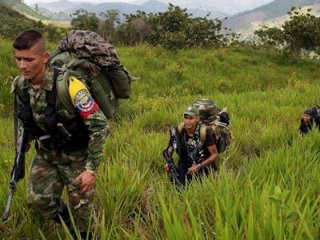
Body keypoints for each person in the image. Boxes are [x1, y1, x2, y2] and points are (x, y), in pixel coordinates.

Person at [11, 29, 108, 238]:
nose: (22, 66)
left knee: (83, 216)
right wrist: (23, 139)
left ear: (45, 57)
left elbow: (99, 125)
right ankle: (66, 221)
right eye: (18, 59)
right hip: (47, 155)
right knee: (37, 199)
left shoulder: (70, 85)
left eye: (29, 59)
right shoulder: (20, 85)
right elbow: (24, 117)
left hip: (77, 159)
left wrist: (91, 169)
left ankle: (81, 231)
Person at [164, 105, 219, 186]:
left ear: (197, 118)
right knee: (178, 185)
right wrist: (168, 162)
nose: (187, 121)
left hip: (201, 164)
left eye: (191, 118)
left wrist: (199, 166)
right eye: (186, 118)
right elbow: (170, 148)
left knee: (200, 186)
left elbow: (214, 154)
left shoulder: (205, 132)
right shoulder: (178, 130)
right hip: (184, 163)